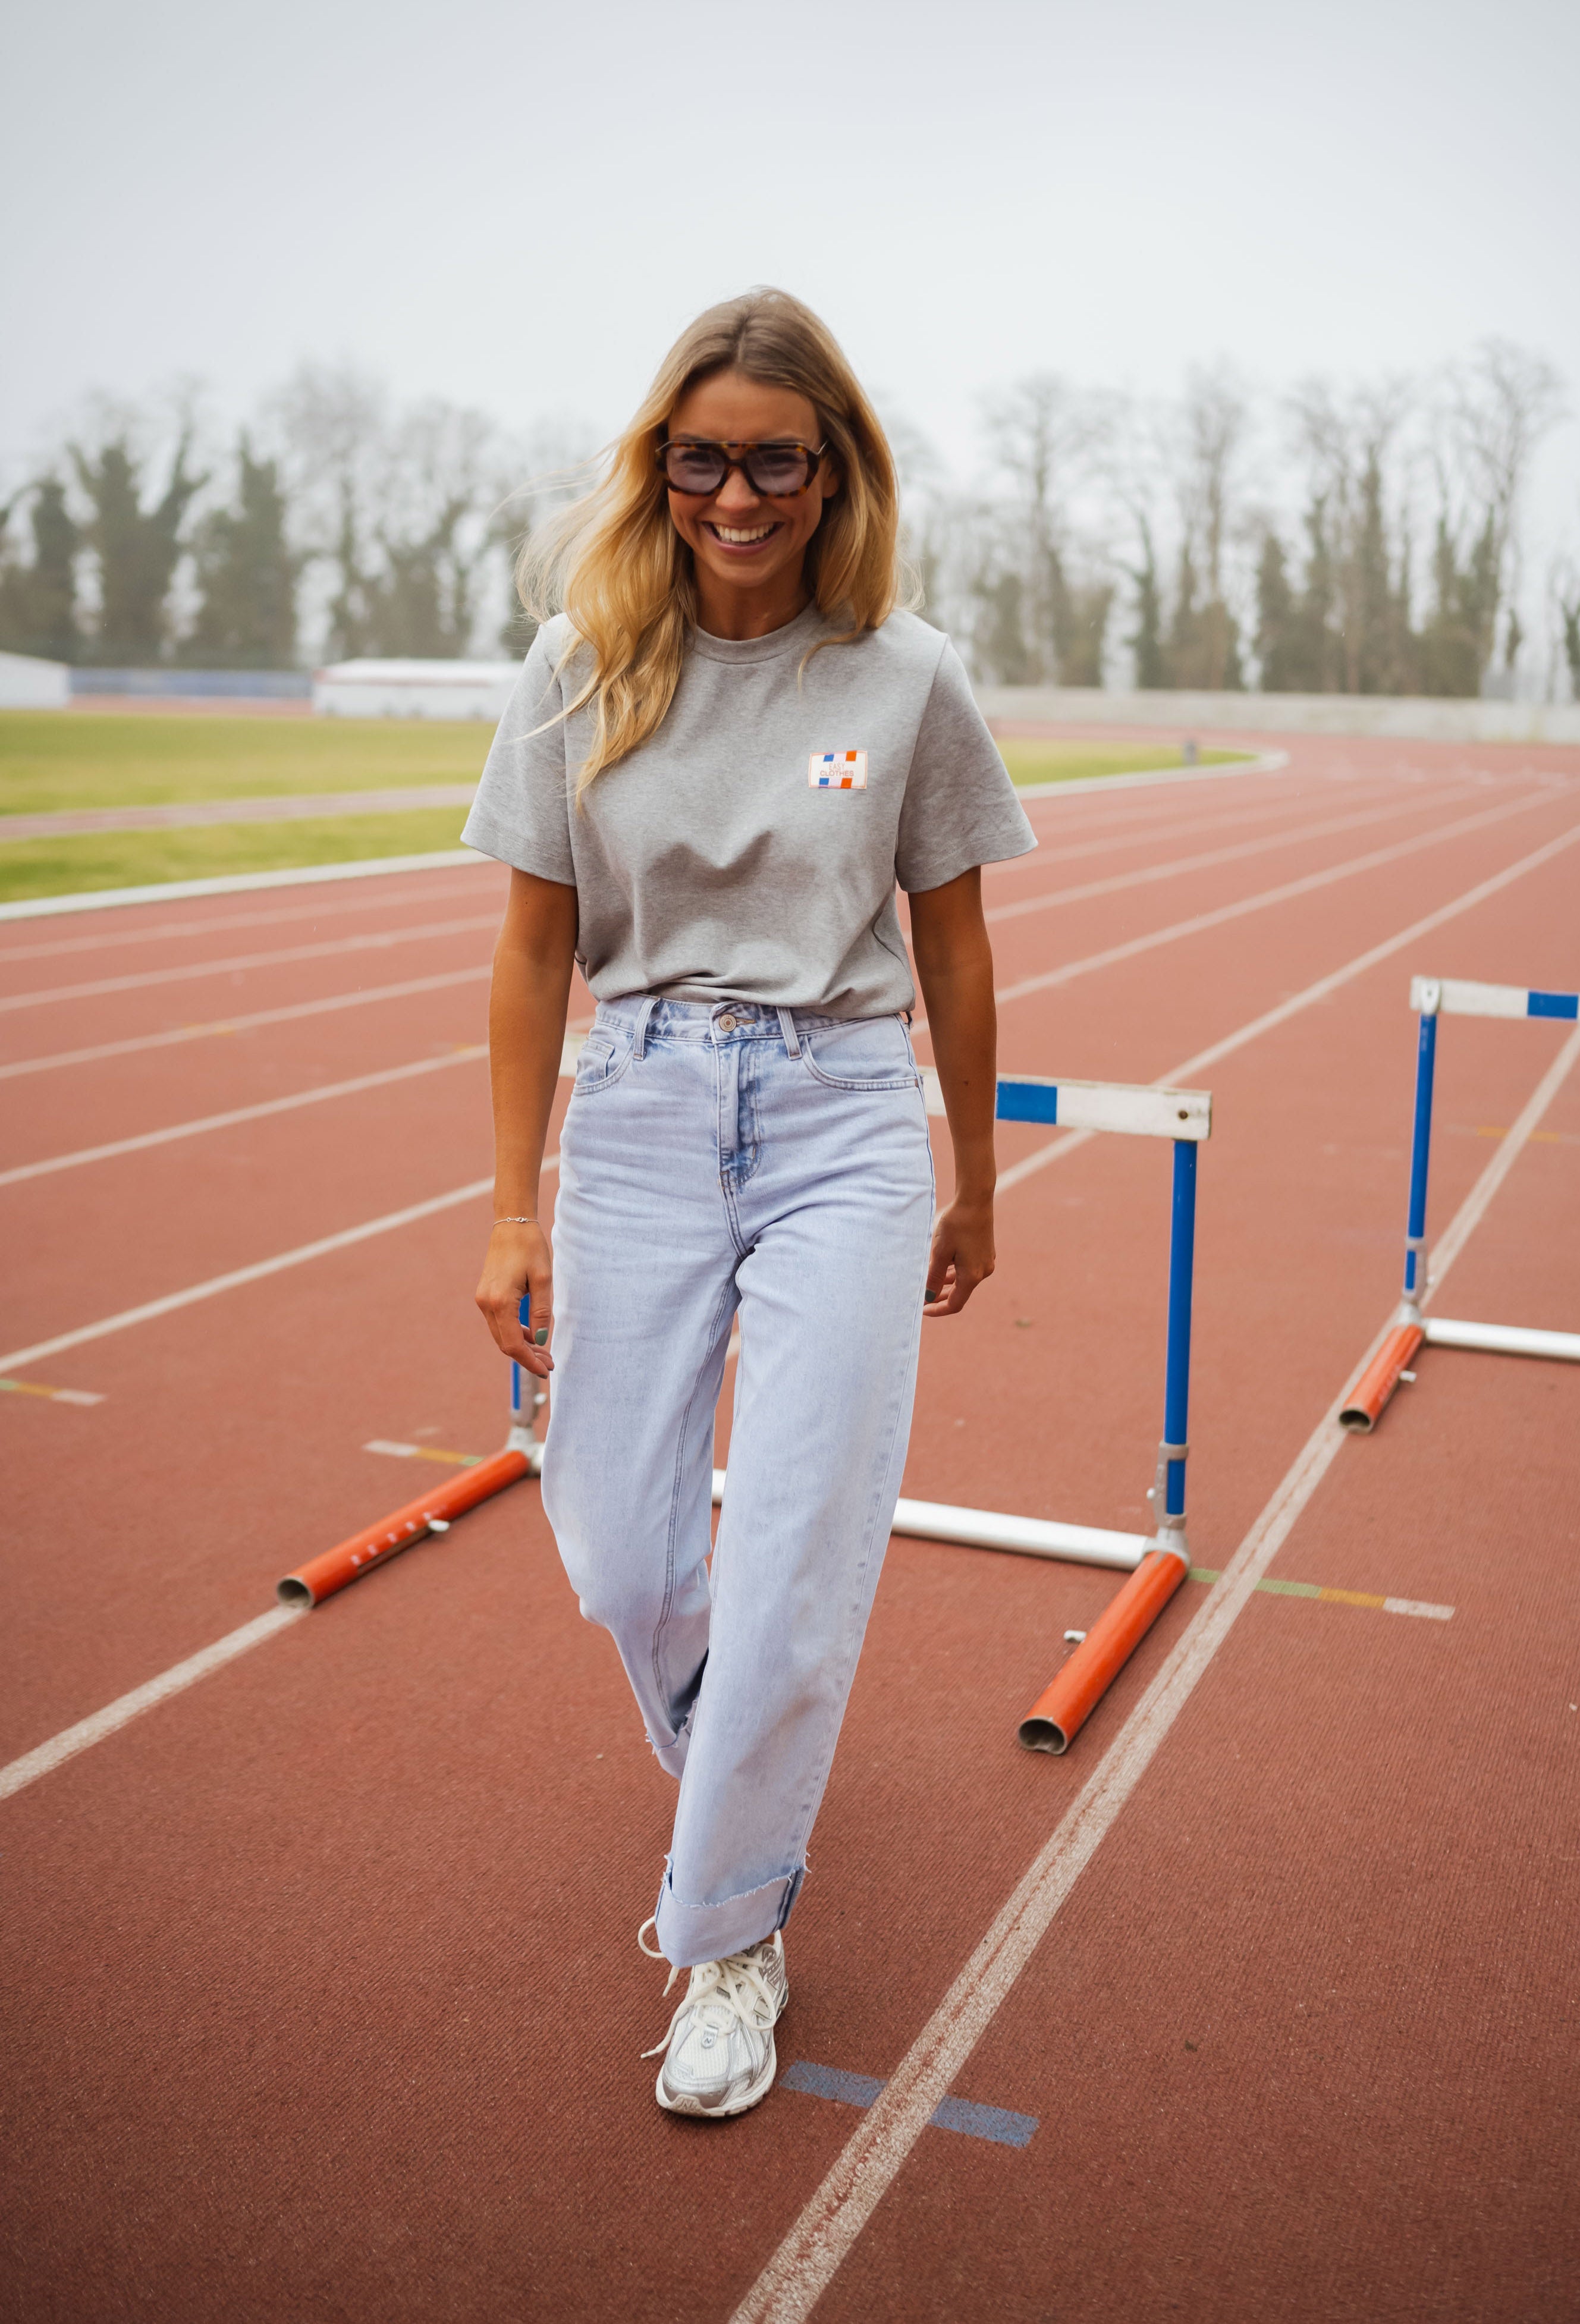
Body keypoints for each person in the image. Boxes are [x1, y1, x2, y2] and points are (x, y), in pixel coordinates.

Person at [465, 287, 1035, 2121]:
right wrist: (505, 1205)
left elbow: (955, 940)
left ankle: (727, 1929)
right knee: (623, 1549)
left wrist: (975, 1176)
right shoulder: (578, 656)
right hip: (634, 1109)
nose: (733, 492)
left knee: (793, 1556)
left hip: (842, 1117)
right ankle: (747, 1770)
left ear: (831, 467)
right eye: (699, 456)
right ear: (661, 463)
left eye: (771, 458)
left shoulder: (904, 672)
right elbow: (528, 942)